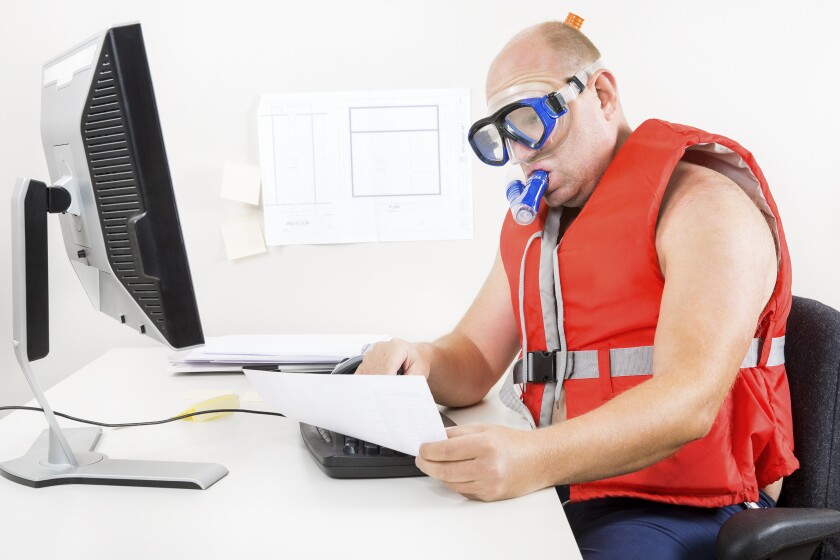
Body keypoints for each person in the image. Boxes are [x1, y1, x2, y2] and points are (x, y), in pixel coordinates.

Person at [356, 17, 798, 559]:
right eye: (504, 137)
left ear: (602, 95)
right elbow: (473, 358)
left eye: (531, 121)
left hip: (687, 506)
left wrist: (533, 458)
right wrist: (418, 359)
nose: (522, 153)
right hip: (568, 482)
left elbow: (688, 403)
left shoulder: (705, 207)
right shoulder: (541, 225)